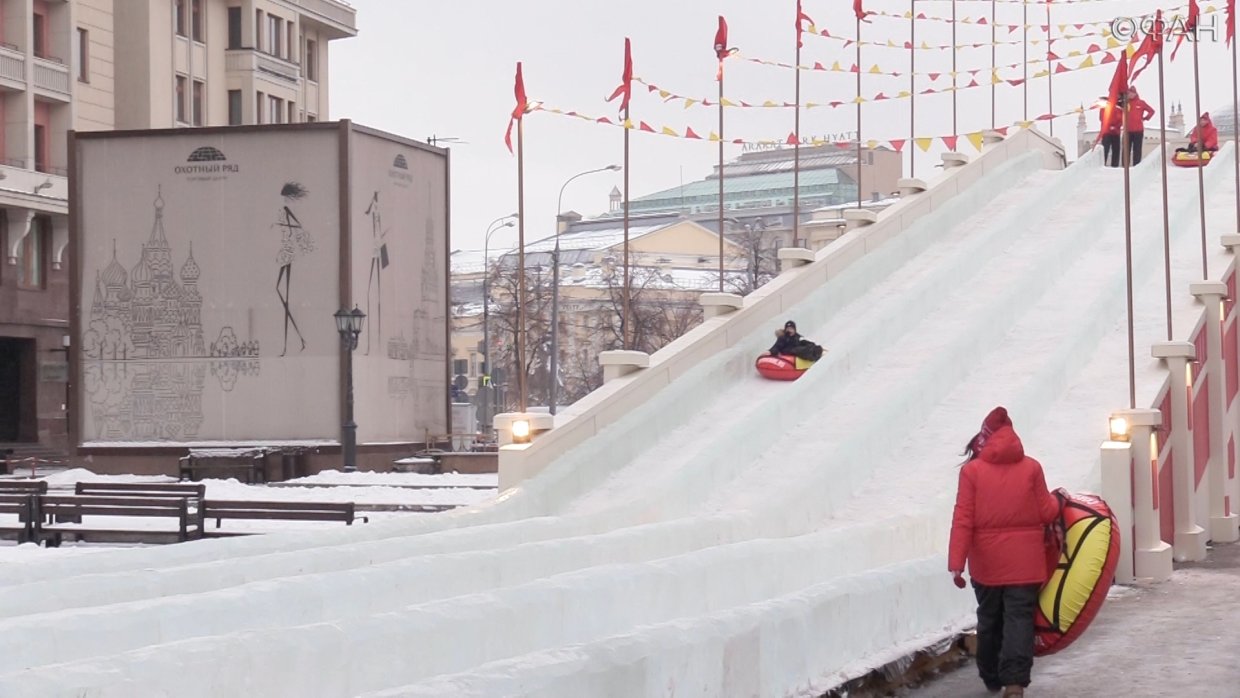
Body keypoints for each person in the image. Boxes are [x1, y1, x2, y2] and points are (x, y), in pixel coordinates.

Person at [949, 407, 1062, 698]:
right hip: (1026, 563)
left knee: (989, 617)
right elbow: (1047, 511)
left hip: (986, 564)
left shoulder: (971, 472)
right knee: (1019, 618)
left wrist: (956, 564)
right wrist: (1058, 501)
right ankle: (1015, 684)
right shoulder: (1032, 467)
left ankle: (990, 675)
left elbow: (963, 518)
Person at [1123, 87, 1154, 166]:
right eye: (1128, 93)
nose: (1130, 94)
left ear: (1135, 93)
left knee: (1137, 150)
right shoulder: (1125, 103)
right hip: (1127, 130)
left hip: (1138, 130)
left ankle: (1136, 166)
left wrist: (1146, 118)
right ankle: (1125, 167)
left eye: (1131, 93)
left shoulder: (1141, 103)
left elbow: (1151, 111)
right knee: (1126, 150)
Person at [1099, 99, 1123, 168]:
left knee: (1116, 150)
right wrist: (1109, 126)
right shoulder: (1104, 107)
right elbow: (1102, 118)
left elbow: (1122, 119)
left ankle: (1115, 165)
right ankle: (1103, 164)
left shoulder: (1119, 108)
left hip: (1116, 132)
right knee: (1105, 149)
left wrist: (1115, 126)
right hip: (1107, 132)